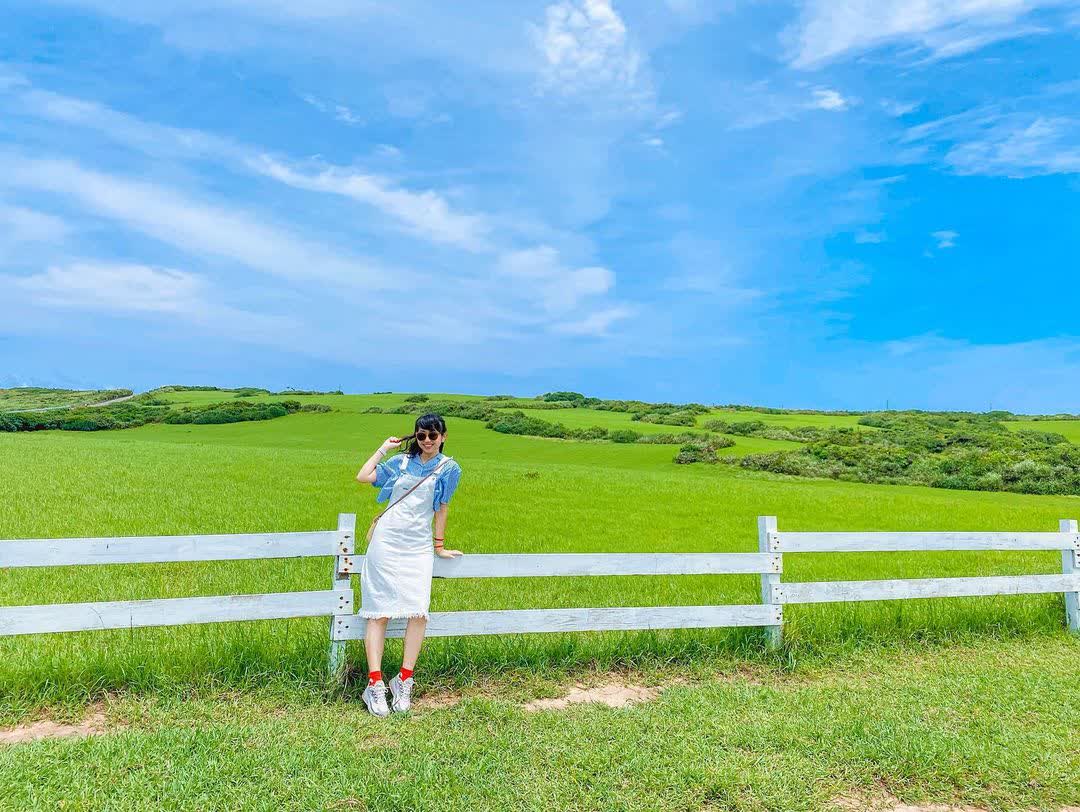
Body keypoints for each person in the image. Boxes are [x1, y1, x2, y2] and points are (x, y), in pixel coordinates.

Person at [353, 412, 463, 716]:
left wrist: (439, 547)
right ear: (415, 436)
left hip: (417, 547)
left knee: (418, 612)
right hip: (386, 544)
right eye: (421, 435)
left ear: (443, 437)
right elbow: (363, 476)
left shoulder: (449, 468)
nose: (426, 441)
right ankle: (374, 684)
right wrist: (382, 448)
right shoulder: (399, 463)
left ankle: (404, 680)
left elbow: (442, 507)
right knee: (379, 612)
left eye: (432, 435)